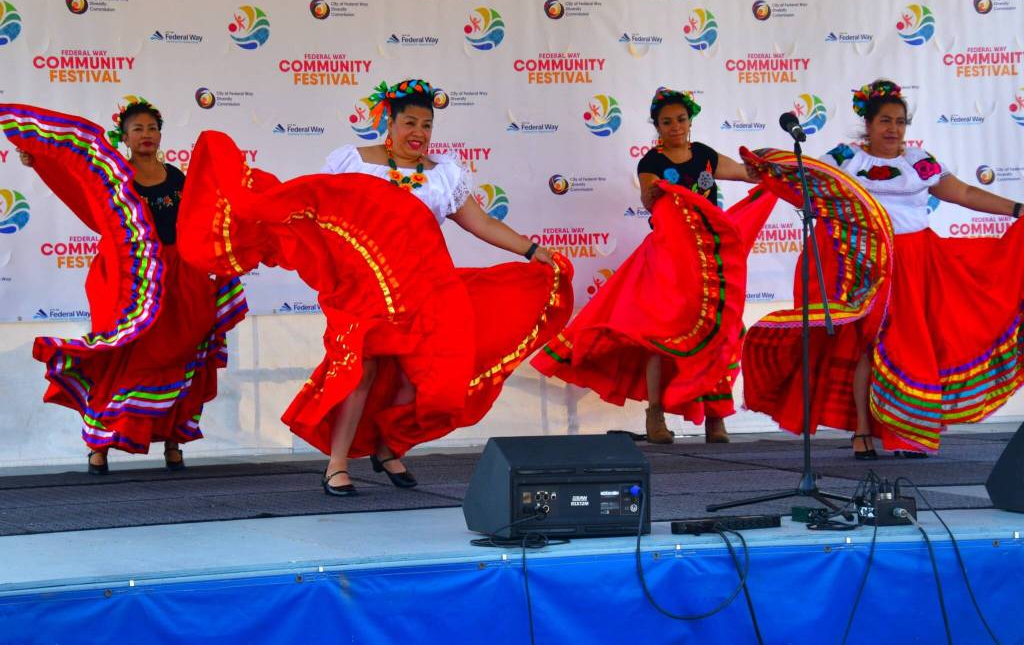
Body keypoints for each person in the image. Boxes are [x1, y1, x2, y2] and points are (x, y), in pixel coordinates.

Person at [176, 79, 573, 495]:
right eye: (410, 122)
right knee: (359, 369)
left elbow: (482, 223)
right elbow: (321, 211)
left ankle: (387, 446)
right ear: (389, 121)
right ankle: (337, 463)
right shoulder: (354, 163)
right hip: (360, 289)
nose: (419, 133)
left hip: (422, 289)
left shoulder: (443, 177)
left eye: (427, 125)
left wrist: (531, 250)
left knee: (412, 374)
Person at [743, 79, 1024, 457]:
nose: (894, 129)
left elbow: (965, 193)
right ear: (869, 125)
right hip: (866, 264)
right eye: (885, 121)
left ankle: (910, 431)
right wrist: (767, 166)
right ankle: (862, 430)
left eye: (900, 122)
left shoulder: (919, 162)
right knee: (867, 345)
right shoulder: (846, 159)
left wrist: (1017, 210)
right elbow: (808, 183)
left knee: (915, 344)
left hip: (917, 262)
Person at [3, 99, 246, 473]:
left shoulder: (179, 177)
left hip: (180, 278)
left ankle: (173, 442)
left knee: (179, 354)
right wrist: (39, 159)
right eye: (138, 129)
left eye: (152, 128)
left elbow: (203, 219)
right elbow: (75, 185)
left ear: (160, 134)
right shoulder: (114, 176)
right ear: (125, 138)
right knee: (123, 356)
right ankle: (100, 446)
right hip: (130, 280)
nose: (146, 135)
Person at [532, 87, 775, 444]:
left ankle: (715, 417)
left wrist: (773, 171)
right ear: (656, 126)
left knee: (719, 330)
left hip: (708, 263)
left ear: (690, 121)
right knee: (659, 334)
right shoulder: (651, 162)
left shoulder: (705, 155)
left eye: (680, 119)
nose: (675, 126)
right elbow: (649, 200)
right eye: (666, 122)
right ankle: (655, 414)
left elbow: (746, 174)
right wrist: (655, 194)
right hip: (668, 258)